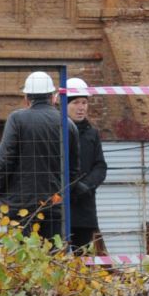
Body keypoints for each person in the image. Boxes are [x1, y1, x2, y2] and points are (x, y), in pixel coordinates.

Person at [0, 69, 80, 241]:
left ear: (26, 98)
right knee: (53, 259)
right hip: (54, 207)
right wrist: (60, 196)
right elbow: (74, 171)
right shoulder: (67, 124)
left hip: (20, 207)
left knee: (21, 261)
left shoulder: (17, 120)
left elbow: (5, 161)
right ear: (52, 97)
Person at [64, 75, 108, 254]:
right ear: (64, 105)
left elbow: (100, 166)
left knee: (82, 259)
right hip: (60, 206)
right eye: (75, 103)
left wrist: (86, 185)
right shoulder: (57, 132)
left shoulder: (92, 134)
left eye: (84, 102)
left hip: (84, 208)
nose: (81, 107)